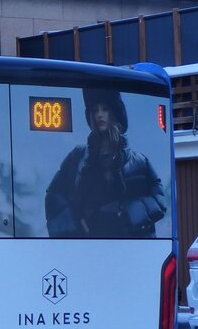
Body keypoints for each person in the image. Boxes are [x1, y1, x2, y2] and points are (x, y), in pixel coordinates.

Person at [45, 89, 166, 238]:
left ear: (114, 114)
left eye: (105, 109)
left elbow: (159, 199)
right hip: (88, 244)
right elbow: (54, 195)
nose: (99, 115)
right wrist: (77, 222)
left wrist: (132, 215)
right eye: (95, 110)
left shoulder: (139, 162)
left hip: (131, 245)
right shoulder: (77, 157)